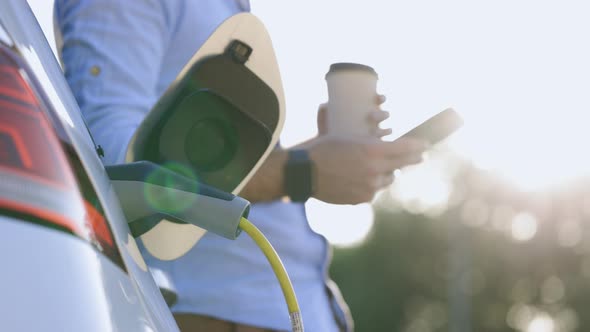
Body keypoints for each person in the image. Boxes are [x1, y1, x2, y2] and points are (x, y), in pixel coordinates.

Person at [54, 1, 427, 331]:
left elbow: (204, 156)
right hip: (217, 315)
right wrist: (300, 172)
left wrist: (316, 156)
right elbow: (113, 166)